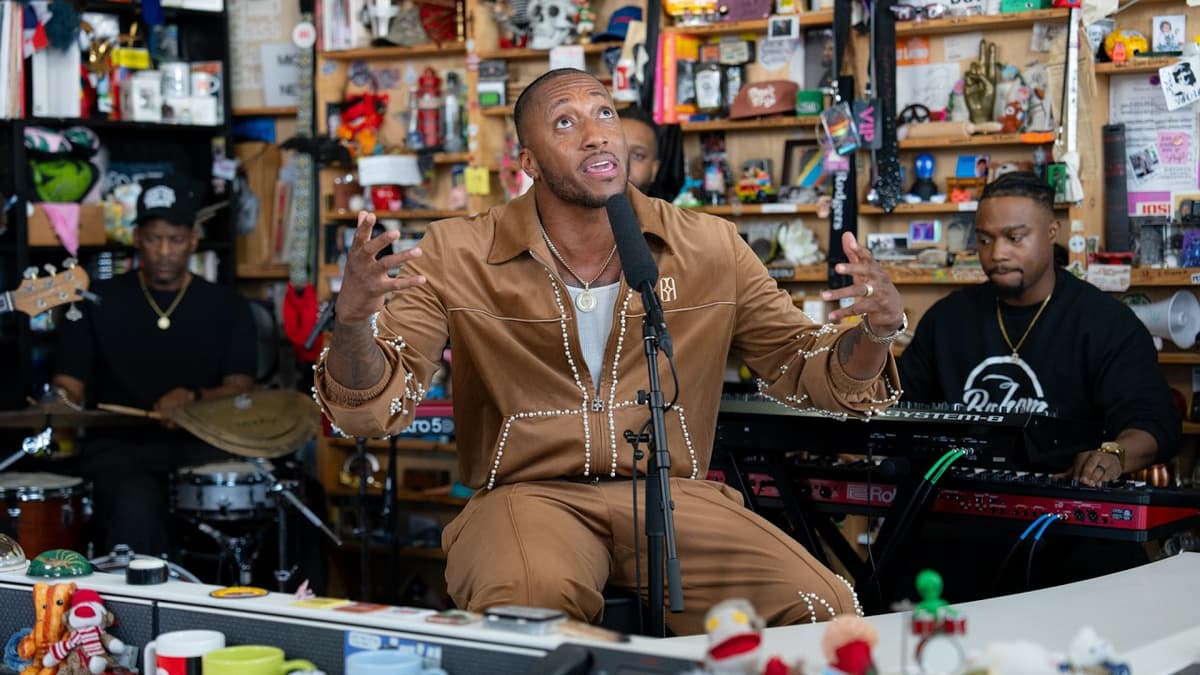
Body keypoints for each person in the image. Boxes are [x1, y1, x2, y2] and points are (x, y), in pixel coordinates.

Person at [314, 68, 907, 635]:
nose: (596, 132)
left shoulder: (707, 245)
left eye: (604, 114)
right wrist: (353, 322)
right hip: (527, 496)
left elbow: (805, 367)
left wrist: (874, 333)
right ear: (529, 163)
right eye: (566, 122)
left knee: (823, 606)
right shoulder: (458, 251)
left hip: (674, 496)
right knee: (526, 613)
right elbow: (368, 408)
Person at [897, 171, 1180, 594]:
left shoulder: (1104, 322)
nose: (997, 253)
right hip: (955, 523)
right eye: (986, 239)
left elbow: (1153, 420)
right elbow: (901, 407)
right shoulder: (947, 319)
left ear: (1052, 231)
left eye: (1014, 237)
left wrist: (1114, 454)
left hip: (1070, 529)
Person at [53, 176, 256, 557]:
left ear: (194, 240)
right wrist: (58, 404)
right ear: (136, 239)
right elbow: (69, 382)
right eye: (153, 238)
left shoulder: (227, 306)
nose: (164, 251)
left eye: (176, 240)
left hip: (202, 445)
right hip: (118, 448)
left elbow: (241, 388)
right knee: (134, 501)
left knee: (275, 495)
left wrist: (194, 399)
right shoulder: (96, 302)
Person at [617, 105, 660, 196]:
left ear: (654, 170)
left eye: (637, 156)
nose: (625, 165)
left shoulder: (666, 210)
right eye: (615, 151)